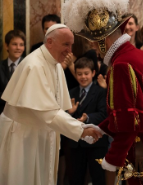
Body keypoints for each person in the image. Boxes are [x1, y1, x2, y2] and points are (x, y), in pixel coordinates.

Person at [62, 0, 143, 185]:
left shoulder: (121, 65)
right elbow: (130, 112)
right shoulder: (138, 55)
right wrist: (102, 128)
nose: (96, 50)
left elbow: (131, 120)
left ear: (104, 42)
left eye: (96, 45)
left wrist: (112, 158)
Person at [0, 24, 102, 185]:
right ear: (49, 42)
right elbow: (47, 112)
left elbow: (57, 109)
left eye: (71, 45)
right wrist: (79, 130)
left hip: (42, 134)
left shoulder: (55, 65)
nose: (70, 51)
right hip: (22, 136)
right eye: (66, 45)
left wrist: (80, 126)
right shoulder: (34, 65)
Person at [66, 57, 108, 185]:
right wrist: (70, 113)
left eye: (86, 73)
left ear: (93, 73)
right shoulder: (71, 92)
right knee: (75, 178)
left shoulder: (101, 92)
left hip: (96, 143)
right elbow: (63, 117)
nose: (83, 77)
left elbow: (103, 114)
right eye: (79, 74)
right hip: (75, 143)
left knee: (98, 178)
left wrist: (87, 118)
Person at [0, 29, 25, 113]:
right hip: (2, 112)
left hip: (23, 113)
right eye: (14, 44)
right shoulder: (0, 66)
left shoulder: (28, 66)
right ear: (6, 46)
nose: (18, 48)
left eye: (21, 45)